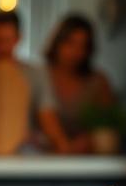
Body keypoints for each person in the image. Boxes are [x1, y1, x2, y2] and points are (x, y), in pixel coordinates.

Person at [0, 10, 71, 154]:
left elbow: (48, 118)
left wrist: (63, 147)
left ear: (18, 38)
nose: (2, 46)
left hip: (25, 154)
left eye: (7, 40)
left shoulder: (35, 73)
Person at [43, 14, 116, 153]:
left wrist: (88, 140)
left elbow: (108, 125)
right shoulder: (41, 77)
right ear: (58, 42)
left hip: (84, 159)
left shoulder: (97, 82)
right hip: (43, 158)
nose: (76, 52)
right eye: (70, 43)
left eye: (82, 46)